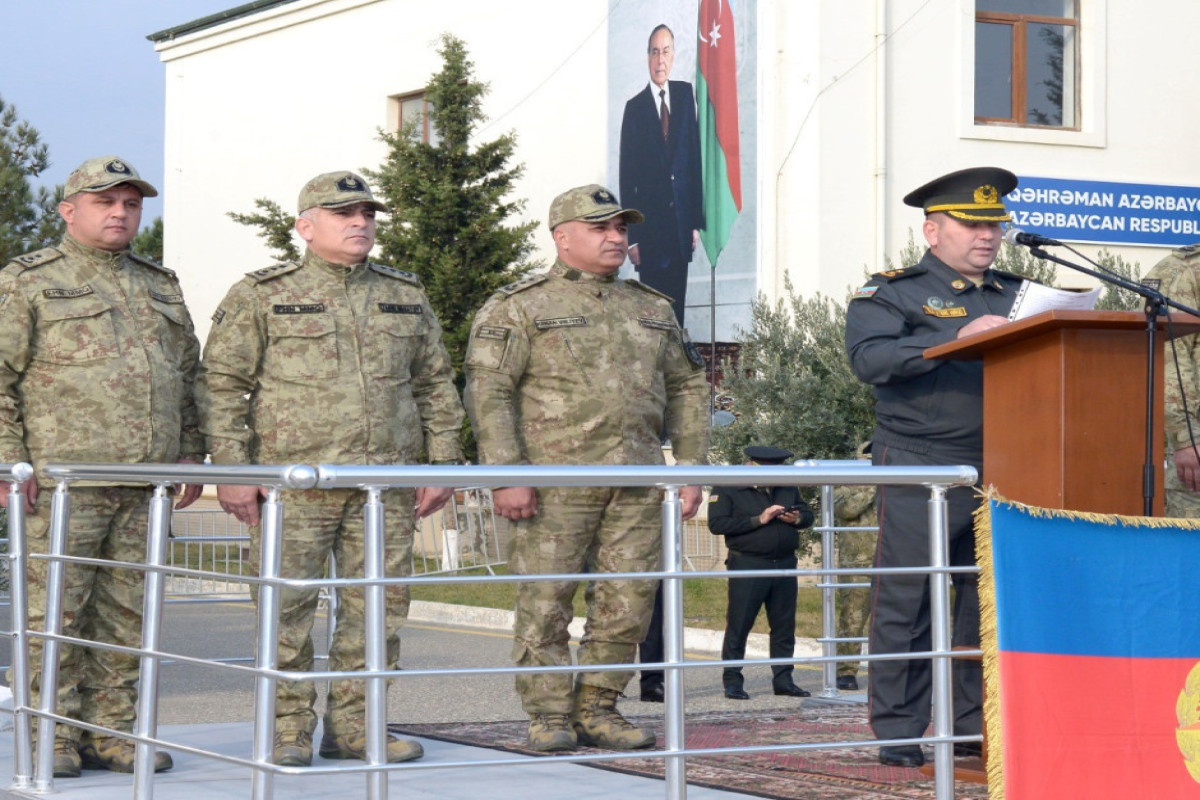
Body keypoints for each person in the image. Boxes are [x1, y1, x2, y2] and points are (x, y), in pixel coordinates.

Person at [198, 171, 464, 767]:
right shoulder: (261, 293)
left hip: (383, 486)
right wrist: (234, 472)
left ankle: (358, 728)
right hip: (295, 488)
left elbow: (435, 383)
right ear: (306, 226)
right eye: (345, 213)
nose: (361, 223)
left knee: (378, 610)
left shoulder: (404, 292)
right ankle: (288, 729)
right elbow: (221, 384)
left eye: (367, 213)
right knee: (286, 610)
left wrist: (443, 462)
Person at [463, 184, 709, 753]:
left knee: (628, 603)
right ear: (562, 237)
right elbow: (489, 393)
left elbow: (689, 386)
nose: (616, 238)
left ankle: (599, 708)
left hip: (638, 482)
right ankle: (548, 715)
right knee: (546, 601)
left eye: (621, 229)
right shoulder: (519, 305)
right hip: (553, 484)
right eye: (601, 228)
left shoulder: (651, 307)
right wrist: (506, 474)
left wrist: (690, 469)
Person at [0, 155, 203, 777]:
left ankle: (111, 734)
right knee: (54, 613)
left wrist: (192, 450)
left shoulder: (158, 282)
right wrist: (7, 463)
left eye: (131, 203)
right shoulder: (27, 280)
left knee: (128, 616)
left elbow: (187, 375)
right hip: (60, 484)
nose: (120, 213)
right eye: (105, 202)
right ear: (69, 211)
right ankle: (52, 736)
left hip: (145, 485)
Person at [844, 166, 1022, 768]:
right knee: (909, 598)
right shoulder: (892, 292)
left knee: (987, 601)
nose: (987, 237)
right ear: (932, 231)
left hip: (1006, 462)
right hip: (921, 461)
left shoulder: (1017, 294)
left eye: (994, 225)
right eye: (972, 225)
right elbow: (870, 359)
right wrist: (954, 340)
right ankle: (898, 728)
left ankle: (976, 725)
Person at [708, 445, 814, 700]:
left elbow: (808, 514)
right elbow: (717, 524)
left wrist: (797, 518)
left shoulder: (787, 486)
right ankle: (732, 681)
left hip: (785, 564)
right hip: (749, 565)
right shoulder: (729, 487)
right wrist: (759, 519)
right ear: (752, 466)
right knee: (739, 624)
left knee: (783, 626)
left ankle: (783, 679)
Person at [619, 23, 704, 325]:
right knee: (653, 316)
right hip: (650, 235)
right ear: (647, 57)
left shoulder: (684, 96)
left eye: (665, 51)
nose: (660, 59)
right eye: (655, 52)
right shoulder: (634, 109)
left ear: (673, 55)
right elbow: (627, 181)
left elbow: (693, 162)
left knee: (677, 315)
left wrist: (695, 223)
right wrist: (632, 239)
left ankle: (677, 370)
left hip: (681, 231)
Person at [1145, 245, 1200, 518]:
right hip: (1197, 450)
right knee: (1191, 553)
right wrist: (1185, 437)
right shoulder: (1182, 270)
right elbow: (1167, 356)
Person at [831, 475, 877, 692]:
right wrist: (875, 487)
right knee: (853, 619)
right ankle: (847, 671)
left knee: (893, 617)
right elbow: (847, 510)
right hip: (858, 563)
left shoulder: (897, 483)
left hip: (892, 559)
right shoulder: (844, 484)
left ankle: (889, 669)